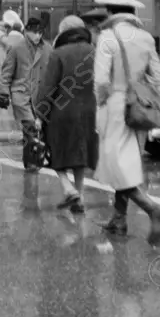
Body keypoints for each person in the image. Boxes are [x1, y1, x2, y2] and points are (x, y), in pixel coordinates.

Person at [93, 0, 160, 242]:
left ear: (111, 10)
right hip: (140, 107)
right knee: (125, 165)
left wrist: (99, 111)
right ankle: (119, 219)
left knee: (115, 166)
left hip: (115, 107)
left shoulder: (107, 37)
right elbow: (157, 78)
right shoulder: (146, 37)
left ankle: (152, 208)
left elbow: (100, 81)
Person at [38, 15, 97, 213]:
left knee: (55, 151)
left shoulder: (58, 53)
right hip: (89, 111)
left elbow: (48, 86)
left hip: (61, 111)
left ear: (63, 31)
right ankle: (78, 196)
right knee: (79, 153)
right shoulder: (94, 52)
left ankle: (67, 186)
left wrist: (40, 111)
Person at [0, 16, 53, 172]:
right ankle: (31, 162)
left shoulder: (48, 48)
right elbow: (7, 73)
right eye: (34, 32)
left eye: (40, 32)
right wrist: (3, 93)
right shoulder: (16, 48)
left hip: (41, 95)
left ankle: (36, 158)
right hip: (22, 94)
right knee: (29, 128)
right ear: (26, 31)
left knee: (40, 130)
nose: (37, 36)